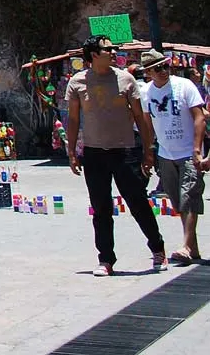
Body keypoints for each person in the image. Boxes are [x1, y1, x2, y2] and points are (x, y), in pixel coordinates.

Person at [66, 35, 166, 274]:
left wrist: (148, 150)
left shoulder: (126, 79)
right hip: (94, 152)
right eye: (108, 49)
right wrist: (71, 151)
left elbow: (141, 117)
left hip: (126, 151)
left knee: (138, 203)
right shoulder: (77, 82)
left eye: (113, 48)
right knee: (100, 208)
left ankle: (158, 249)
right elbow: (73, 119)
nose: (113, 52)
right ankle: (106, 260)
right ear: (93, 55)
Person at [138, 49, 206, 262]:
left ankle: (185, 246)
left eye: (166, 66)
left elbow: (199, 117)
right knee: (178, 202)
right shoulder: (146, 92)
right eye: (158, 68)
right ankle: (193, 249)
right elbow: (147, 125)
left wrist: (196, 149)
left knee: (189, 197)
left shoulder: (183, 86)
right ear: (148, 72)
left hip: (188, 152)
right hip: (166, 153)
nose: (164, 71)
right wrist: (149, 153)